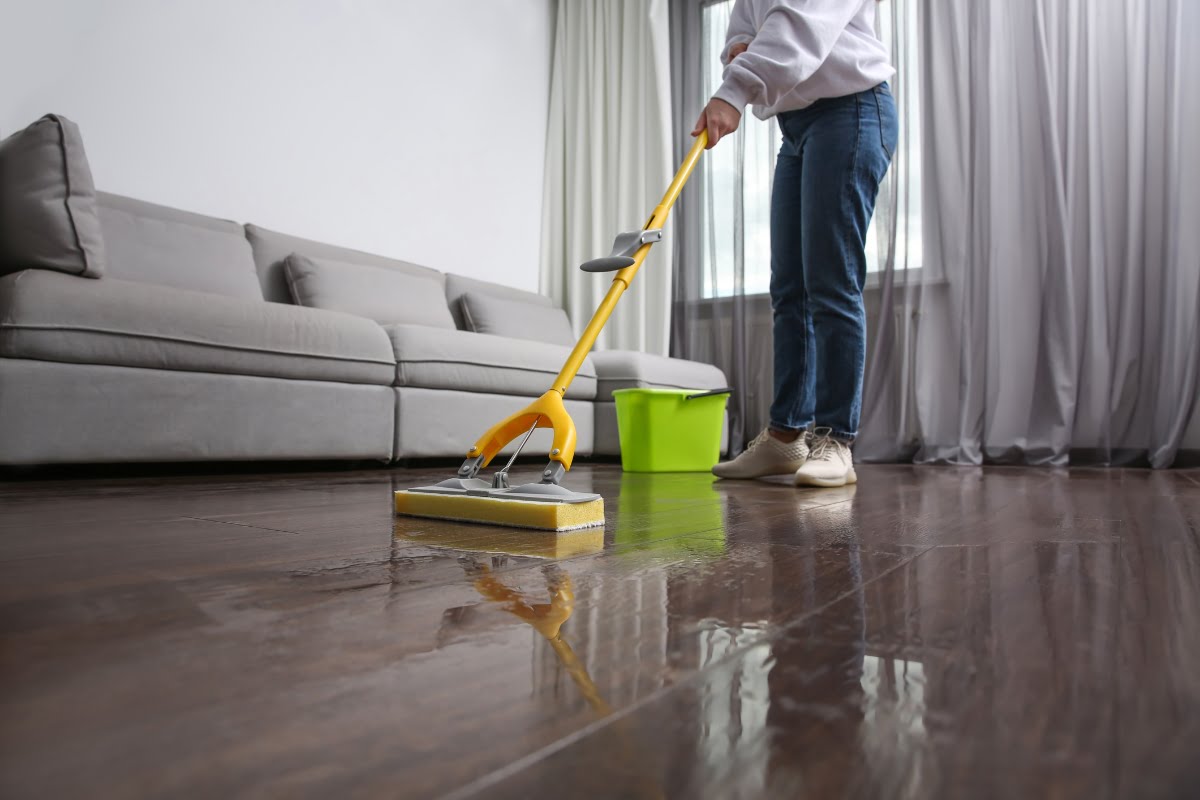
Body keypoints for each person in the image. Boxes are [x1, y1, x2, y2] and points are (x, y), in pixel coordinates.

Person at [702, 0, 898, 488]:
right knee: (789, 288)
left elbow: (796, 27)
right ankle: (787, 437)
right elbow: (745, 28)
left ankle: (837, 440)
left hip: (852, 110)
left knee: (831, 282)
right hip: (797, 128)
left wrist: (735, 89)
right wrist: (738, 54)